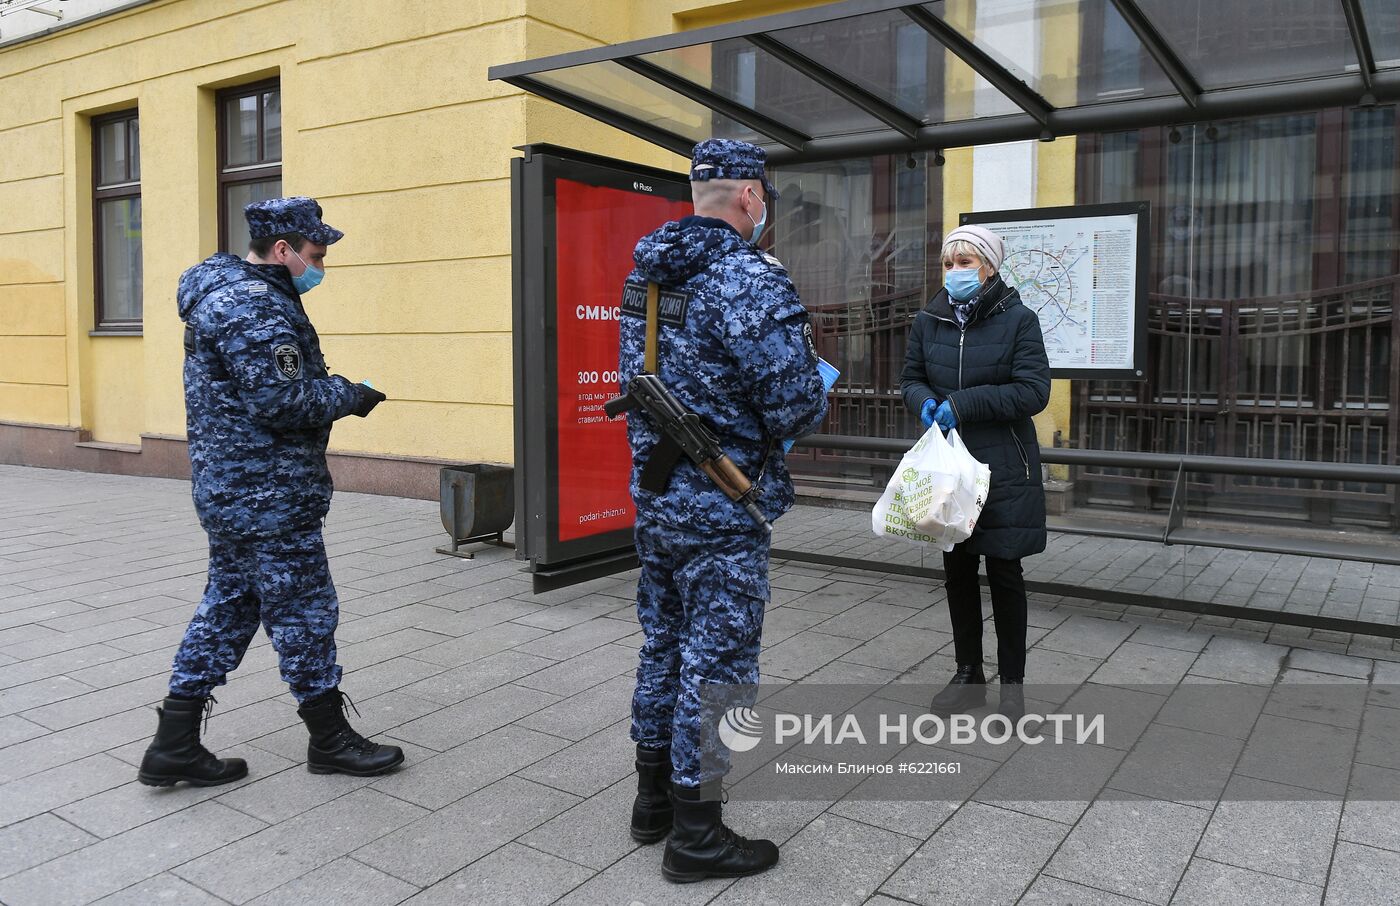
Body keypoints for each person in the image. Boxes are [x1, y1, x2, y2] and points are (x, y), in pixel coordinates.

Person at [139, 197, 401, 787]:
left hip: (235, 490)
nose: (321, 265)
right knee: (306, 611)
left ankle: (174, 742)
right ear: (282, 250)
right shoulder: (254, 308)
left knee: (231, 605)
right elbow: (282, 402)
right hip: (267, 496)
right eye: (315, 254)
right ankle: (330, 740)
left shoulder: (236, 298)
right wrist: (349, 395)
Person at [620, 139, 829, 883]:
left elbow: (641, 376)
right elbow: (795, 402)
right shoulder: (748, 279)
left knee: (663, 647)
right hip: (724, 501)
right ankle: (698, 835)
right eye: (764, 197)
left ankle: (652, 803)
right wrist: (815, 379)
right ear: (750, 197)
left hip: (660, 497)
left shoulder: (645, 276)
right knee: (721, 668)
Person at [900, 224, 1050, 723]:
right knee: (957, 570)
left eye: (965, 262)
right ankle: (968, 675)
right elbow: (911, 377)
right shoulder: (929, 318)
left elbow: (1033, 392)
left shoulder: (1019, 320)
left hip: (1003, 464)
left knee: (1005, 571)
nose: (955, 272)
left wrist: (963, 404)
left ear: (989, 267)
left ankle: (1012, 687)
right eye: (948, 263)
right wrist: (923, 402)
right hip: (949, 466)